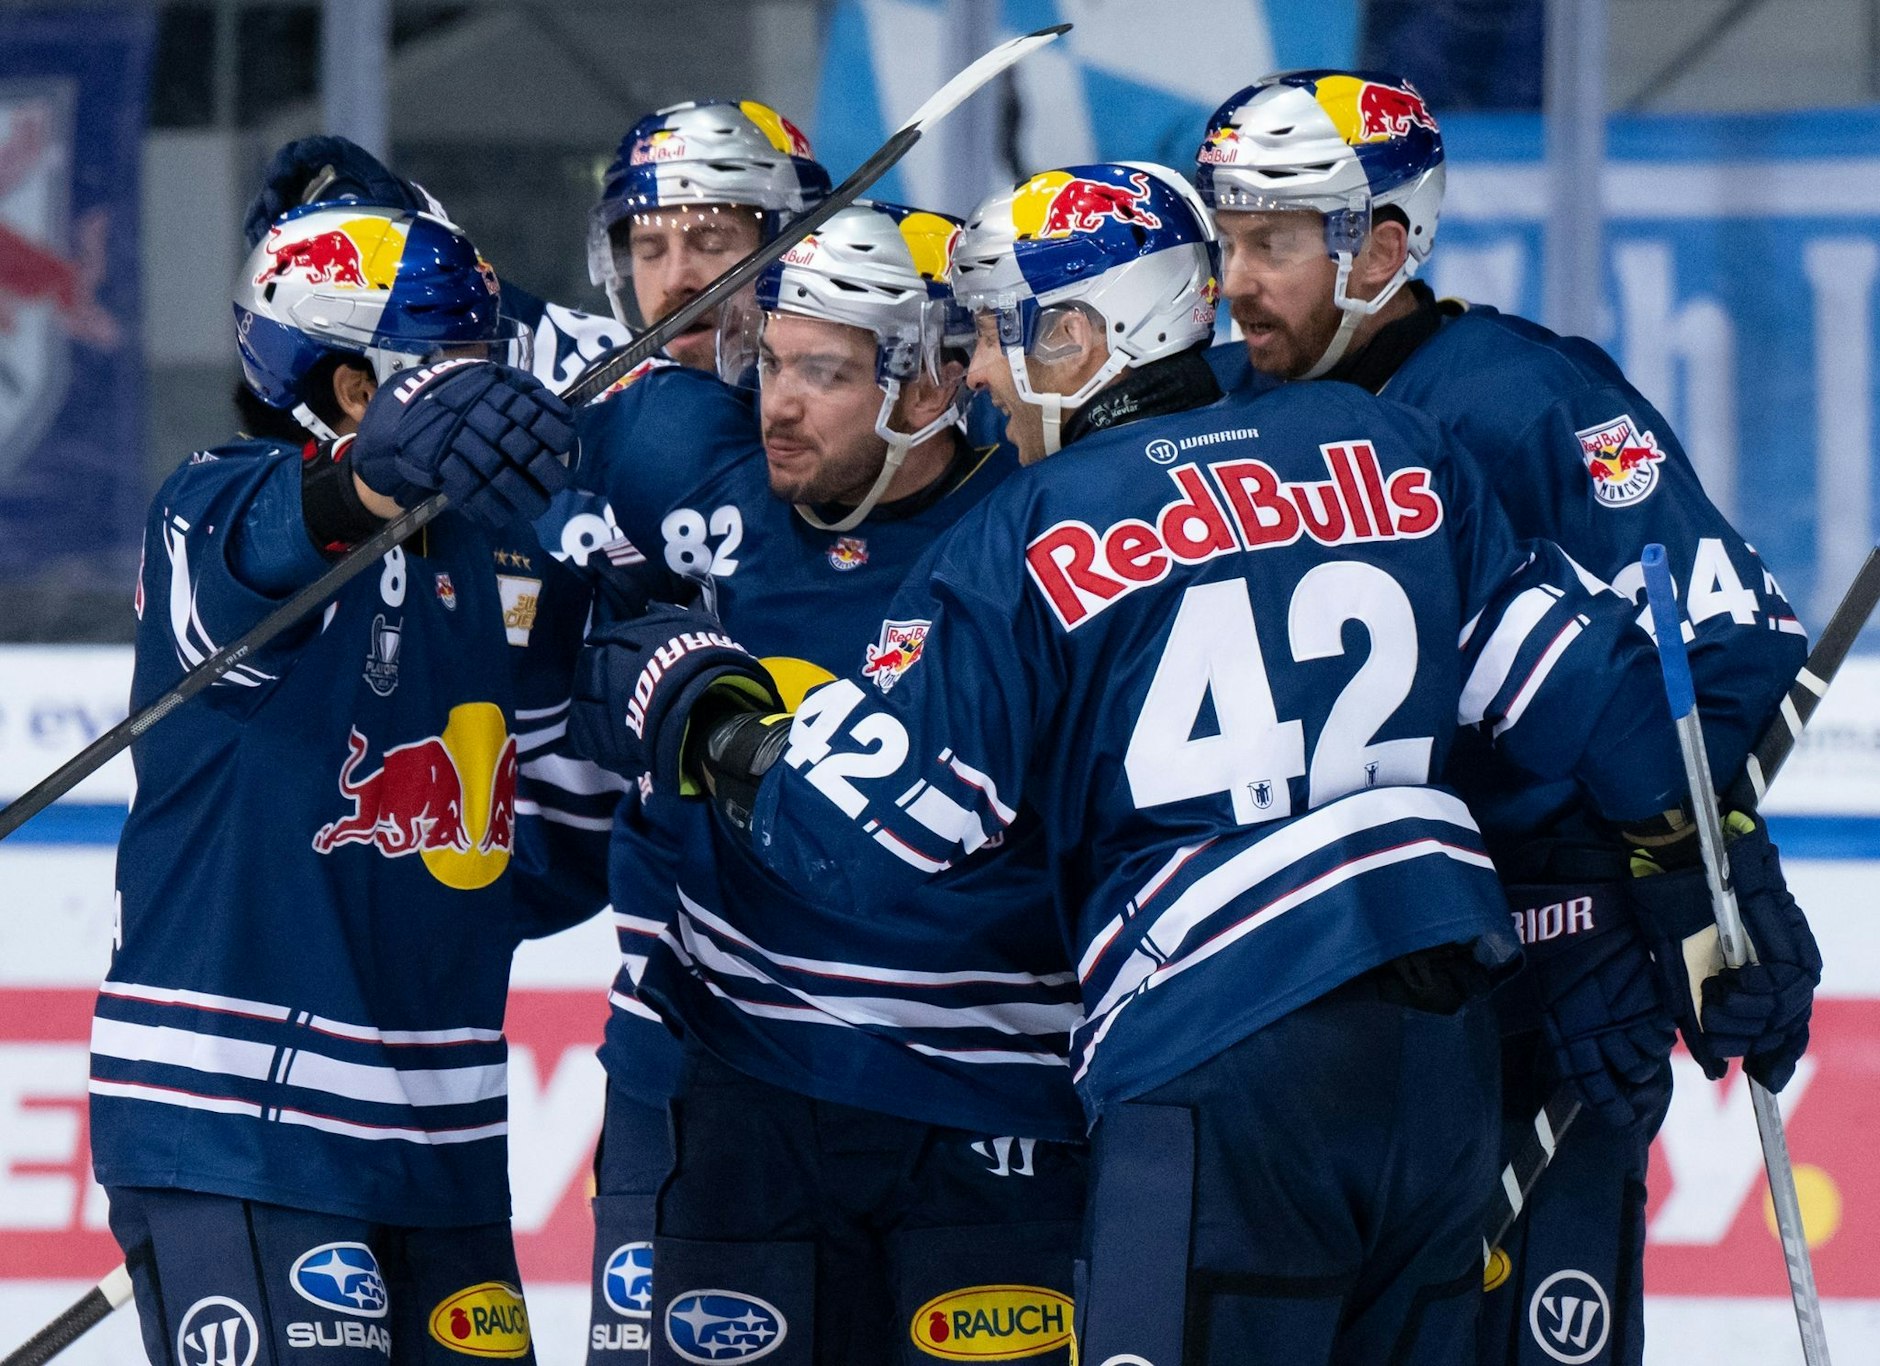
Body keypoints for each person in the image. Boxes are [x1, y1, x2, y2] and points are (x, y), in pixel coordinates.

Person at [568, 158, 1730, 1366]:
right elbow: (1612, 710)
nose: (977, 373)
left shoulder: (1035, 524)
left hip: (1214, 1050)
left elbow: (861, 832)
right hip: (1440, 1061)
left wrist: (698, 708)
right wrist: (1703, 892)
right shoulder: (1390, 443)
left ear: (1079, 337)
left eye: (997, 332)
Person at [1191, 70, 1820, 1366]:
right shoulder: (1209, 420)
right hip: (1300, 1016)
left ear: (1379, 247)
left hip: (1533, 1011)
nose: (1234, 283)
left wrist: (1620, 907)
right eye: (1225, 244)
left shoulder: (1528, 401)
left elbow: (1717, 653)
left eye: (1271, 245)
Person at [548, 198, 1087, 1366]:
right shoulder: (689, 470)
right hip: (745, 1088)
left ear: (931, 386)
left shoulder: (1044, 530)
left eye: (823, 373)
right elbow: (515, 427)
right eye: (770, 359)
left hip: (986, 1099)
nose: (774, 404)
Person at [97, 202, 589, 1365]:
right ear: (350, 387)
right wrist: (372, 476)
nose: (488, 392)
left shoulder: (497, 561)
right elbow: (270, 543)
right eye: (447, 368)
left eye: (486, 361)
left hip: (441, 1139)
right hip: (240, 1119)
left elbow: (542, 851)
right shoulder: (214, 500)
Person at [586, 99, 831, 373]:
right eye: (650, 252)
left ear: (794, 254)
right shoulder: (606, 397)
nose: (675, 281)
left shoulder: (861, 393)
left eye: (711, 245)